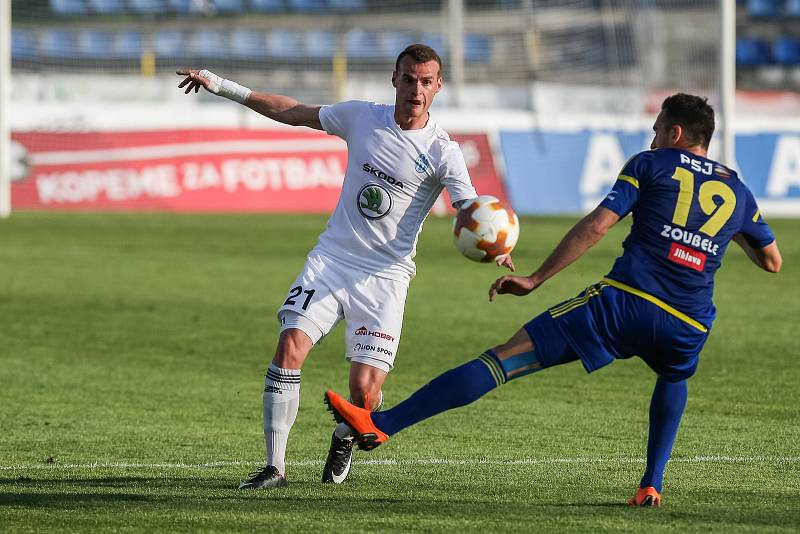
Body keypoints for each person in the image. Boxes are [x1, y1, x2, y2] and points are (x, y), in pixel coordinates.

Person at [324, 93, 783, 507]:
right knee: (674, 375)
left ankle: (383, 423)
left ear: (675, 133)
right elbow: (771, 261)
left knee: (503, 359)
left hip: (624, 305)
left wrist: (537, 277)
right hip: (689, 322)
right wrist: (722, 233)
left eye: (658, 129)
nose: (654, 136)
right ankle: (651, 484)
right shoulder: (738, 191)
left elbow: (597, 226)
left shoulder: (651, 163)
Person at [177, 44, 513, 489]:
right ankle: (275, 467)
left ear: (438, 87)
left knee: (364, 394)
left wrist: (494, 245)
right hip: (332, 260)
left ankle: (345, 434)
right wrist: (222, 87)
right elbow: (294, 110)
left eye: (426, 82)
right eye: (409, 79)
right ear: (395, 79)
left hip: (386, 277)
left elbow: (469, 206)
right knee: (290, 347)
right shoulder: (361, 117)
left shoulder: (443, 151)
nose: (416, 89)